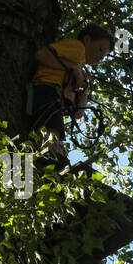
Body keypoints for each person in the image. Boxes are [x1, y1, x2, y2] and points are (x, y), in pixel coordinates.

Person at [31, 24, 114, 163]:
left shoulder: (80, 67)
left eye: (104, 56)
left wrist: (83, 88)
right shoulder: (78, 48)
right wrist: (73, 68)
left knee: (53, 126)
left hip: (54, 97)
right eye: (100, 49)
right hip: (47, 89)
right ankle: (51, 154)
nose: (100, 57)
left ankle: (52, 153)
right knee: (52, 127)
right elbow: (42, 55)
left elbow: (77, 113)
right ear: (87, 40)